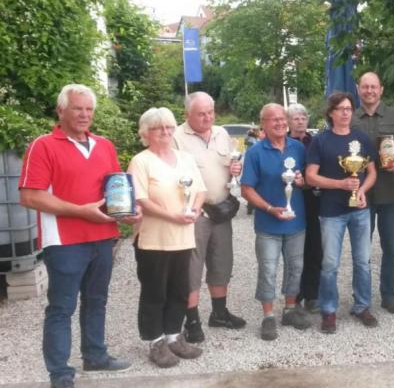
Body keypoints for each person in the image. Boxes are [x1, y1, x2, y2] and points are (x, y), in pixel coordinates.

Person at [19, 84, 139, 388]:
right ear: (61, 111)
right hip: (64, 242)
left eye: (89, 109)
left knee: (97, 300)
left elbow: (114, 193)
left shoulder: (105, 145)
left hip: (103, 236)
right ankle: (59, 374)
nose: (84, 114)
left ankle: (95, 356)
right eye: (77, 108)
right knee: (61, 307)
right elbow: (30, 197)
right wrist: (80, 211)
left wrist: (126, 212)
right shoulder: (43, 145)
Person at [128, 107, 206, 367]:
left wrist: (195, 208)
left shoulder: (185, 158)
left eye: (170, 126)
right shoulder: (141, 161)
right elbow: (140, 198)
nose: (165, 131)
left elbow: (200, 189)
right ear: (145, 132)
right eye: (158, 127)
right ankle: (155, 341)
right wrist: (172, 216)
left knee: (180, 290)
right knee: (155, 292)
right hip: (154, 239)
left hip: (183, 237)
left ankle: (174, 336)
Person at [172, 92, 245, 344]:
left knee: (221, 262)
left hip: (222, 209)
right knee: (192, 268)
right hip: (195, 213)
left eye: (211, 112)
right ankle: (191, 320)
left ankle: (219, 312)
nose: (207, 118)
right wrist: (193, 206)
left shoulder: (221, 133)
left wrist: (236, 169)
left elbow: (231, 163)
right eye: (201, 113)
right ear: (187, 114)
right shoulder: (176, 137)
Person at [305, 92, 378, 334]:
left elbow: (372, 173)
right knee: (330, 263)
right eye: (341, 109)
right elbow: (310, 176)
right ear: (331, 113)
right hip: (332, 210)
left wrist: (363, 190)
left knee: (363, 261)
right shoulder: (321, 141)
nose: (346, 113)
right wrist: (340, 185)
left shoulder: (362, 139)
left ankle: (362, 306)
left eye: (349, 108)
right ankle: (328, 310)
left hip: (360, 209)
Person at [241, 103, 312, 341]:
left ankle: (290, 309)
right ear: (264, 124)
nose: (280, 123)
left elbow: (305, 180)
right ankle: (268, 315)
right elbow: (246, 189)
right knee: (268, 269)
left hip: (296, 220)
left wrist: (301, 181)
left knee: (296, 267)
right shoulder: (255, 152)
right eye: (274, 119)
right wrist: (269, 208)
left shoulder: (298, 148)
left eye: (283, 118)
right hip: (268, 223)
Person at [351, 71, 394, 313]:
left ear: (381, 89)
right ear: (358, 89)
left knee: (391, 247)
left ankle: (389, 295)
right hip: (359, 195)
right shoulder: (350, 117)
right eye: (365, 87)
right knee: (361, 250)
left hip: (391, 194)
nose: (369, 91)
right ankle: (362, 296)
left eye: (373, 87)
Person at [287, 103, 323, 313]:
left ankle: (312, 294)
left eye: (303, 117)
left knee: (314, 248)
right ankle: (295, 296)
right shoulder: (284, 143)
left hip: (312, 199)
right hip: (291, 199)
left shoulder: (316, 142)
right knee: (294, 251)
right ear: (289, 122)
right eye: (295, 118)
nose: (300, 121)